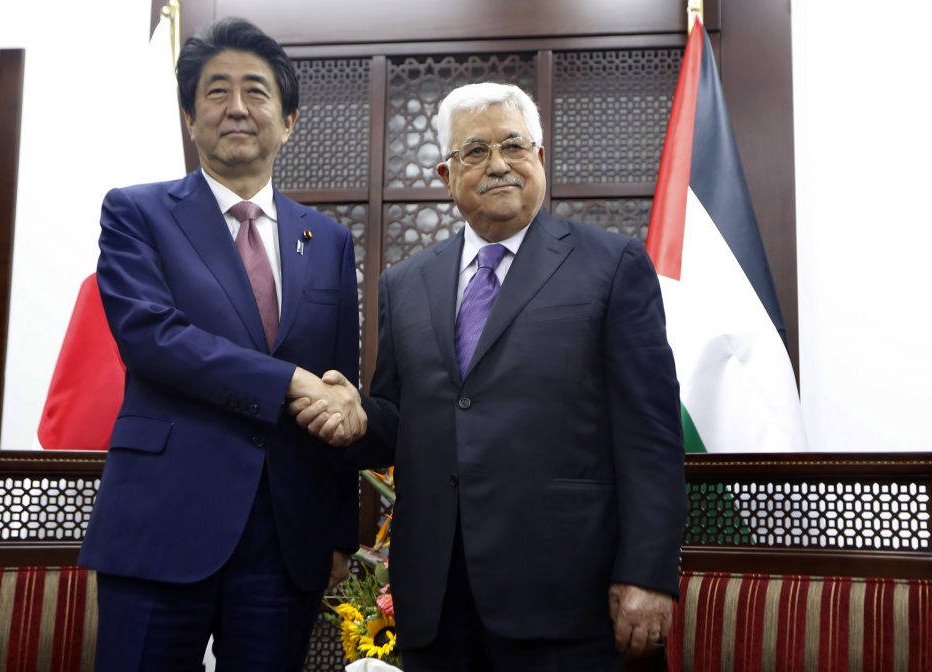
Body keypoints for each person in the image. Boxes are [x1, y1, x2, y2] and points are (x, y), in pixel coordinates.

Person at [292, 82, 686, 671]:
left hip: (567, 598)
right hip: (438, 598)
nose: (498, 164)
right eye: (475, 152)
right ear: (447, 175)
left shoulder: (612, 266)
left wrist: (647, 573)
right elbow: (402, 420)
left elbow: (651, 435)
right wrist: (357, 418)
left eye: (514, 147)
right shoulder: (405, 284)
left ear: (540, 160)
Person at [78, 18, 367, 671]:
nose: (237, 107)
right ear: (189, 117)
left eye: (257, 91)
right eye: (216, 92)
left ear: (288, 120)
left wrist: (339, 532)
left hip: (285, 535)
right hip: (161, 520)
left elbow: (339, 388)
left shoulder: (329, 241)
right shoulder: (137, 214)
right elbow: (153, 338)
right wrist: (288, 383)